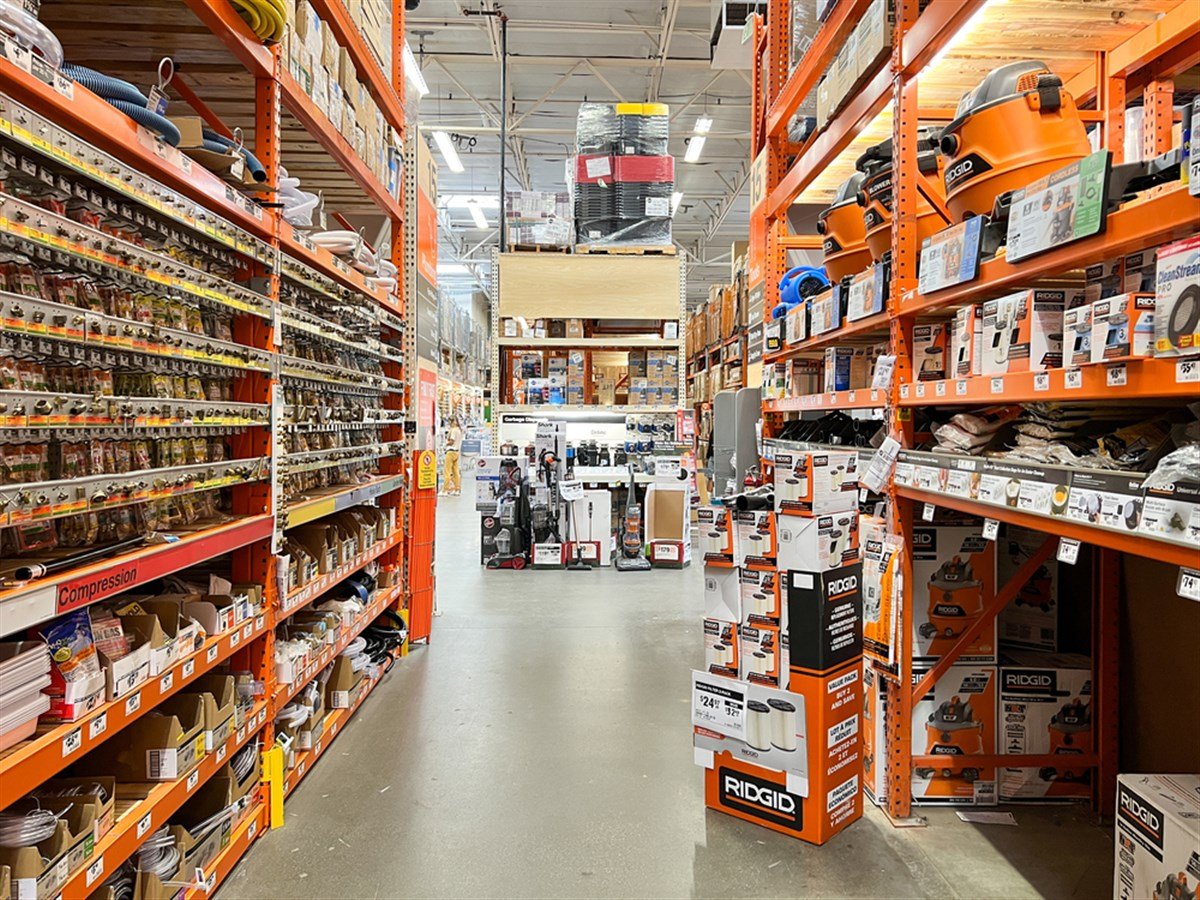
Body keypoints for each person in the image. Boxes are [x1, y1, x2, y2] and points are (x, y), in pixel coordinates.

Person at [443, 417, 463, 495]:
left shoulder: (454, 430)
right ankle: (457, 489)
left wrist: (445, 444)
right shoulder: (459, 430)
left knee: (447, 472)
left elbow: (451, 441)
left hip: (450, 452)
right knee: (456, 472)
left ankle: (445, 490)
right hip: (456, 452)